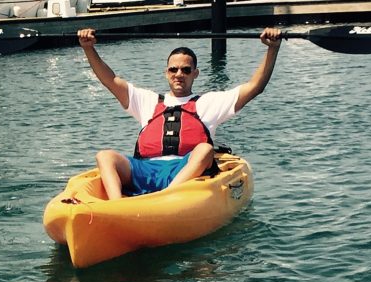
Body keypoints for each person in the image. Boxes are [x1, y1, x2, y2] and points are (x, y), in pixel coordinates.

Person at [76, 26, 283, 199]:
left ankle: (167, 197)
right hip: (145, 169)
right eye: (173, 70)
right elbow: (110, 80)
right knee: (105, 156)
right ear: (166, 73)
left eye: (185, 70)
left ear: (195, 74)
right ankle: (117, 206)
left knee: (204, 149)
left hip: (183, 172)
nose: (179, 74)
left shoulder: (208, 103)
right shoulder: (147, 101)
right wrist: (88, 49)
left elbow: (255, 86)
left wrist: (272, 49)